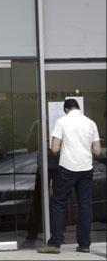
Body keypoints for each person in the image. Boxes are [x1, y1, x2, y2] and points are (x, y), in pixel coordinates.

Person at [37, 98, 101, 254]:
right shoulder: (91, 123)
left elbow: (54, 148)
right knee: (85, 205)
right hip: (86, 168)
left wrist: (60, 143)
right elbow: (97, 150)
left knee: (59, 204)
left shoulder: (62, 121)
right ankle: (84, 245)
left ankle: (55, 244)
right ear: (78, 107)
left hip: (68, 168)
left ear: (66, 109)